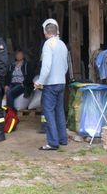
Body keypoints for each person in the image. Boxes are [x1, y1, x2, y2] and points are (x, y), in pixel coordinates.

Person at [34, 20, 69, 151]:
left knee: (48, 112)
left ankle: (53, 142)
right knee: (59, 111)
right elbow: (65, 66)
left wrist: (40, 81)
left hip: (50, 84)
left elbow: (46, 66)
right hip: (61, 82)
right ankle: (62, 138)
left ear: (45, 32)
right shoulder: (62, 44)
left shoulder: (48, 45)